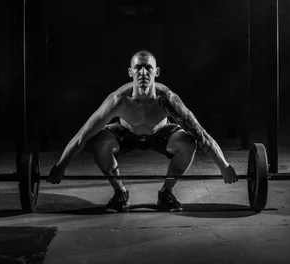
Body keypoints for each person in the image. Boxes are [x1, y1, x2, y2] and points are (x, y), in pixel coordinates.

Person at [47, 50, 238, 213]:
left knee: (188, 142)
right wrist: (61, 166)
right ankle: (120, 193)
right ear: (131, 72)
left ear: (157, 71)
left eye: (148, 67)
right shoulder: (118, 100)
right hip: (126, 131)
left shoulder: (168, 100)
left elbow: (200, 134)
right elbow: (83, 135)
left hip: (160, 131)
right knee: (99, 142)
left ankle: (166, 194)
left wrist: (224, 166)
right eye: (138, 67)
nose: (143, 72)